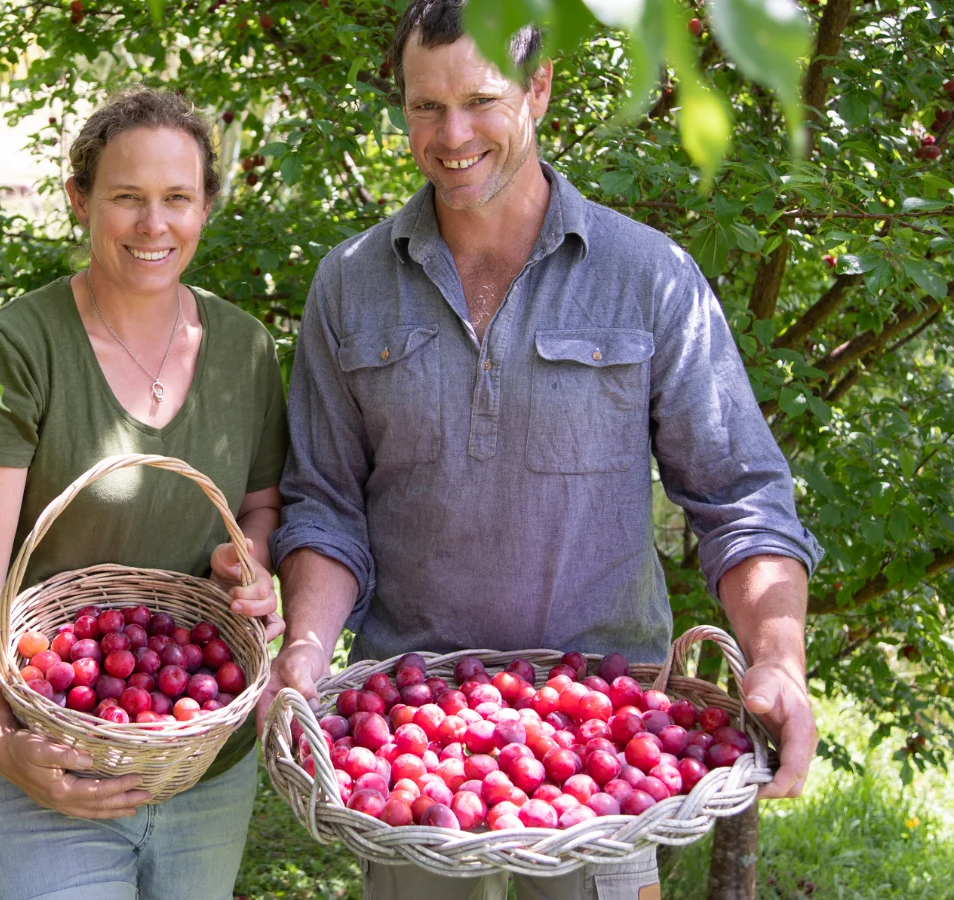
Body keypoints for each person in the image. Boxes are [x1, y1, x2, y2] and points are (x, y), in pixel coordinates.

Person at [261, 2, 822, 898]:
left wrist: (778, 660)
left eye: (481, 101)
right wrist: (304, 648)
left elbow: (740, 499)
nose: (451, 136)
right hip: (407, 730)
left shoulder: (649, 277)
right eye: (423, 107)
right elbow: (326, 504)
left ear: (541, 88)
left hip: (607, 737)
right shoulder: (350, 285)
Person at [0, 87, 289, 900]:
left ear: (206, 208)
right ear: (80, 199)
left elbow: (262, 507)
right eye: (126, 197)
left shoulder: (243, 348)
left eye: (177, 199)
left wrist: (252, 564)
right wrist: (0, 738)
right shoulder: (17, 347)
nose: (152, 225)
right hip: (47, 737)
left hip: (201, 747)